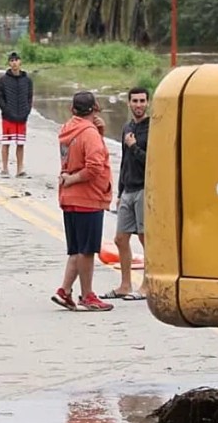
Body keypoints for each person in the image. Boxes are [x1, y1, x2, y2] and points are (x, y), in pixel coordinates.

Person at [52, 91, 115, 312]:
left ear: (72, 109)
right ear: (96, 107)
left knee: (77, 250)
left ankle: (64, 291)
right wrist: (74, 179)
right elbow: (95, 166)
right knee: (87, 251)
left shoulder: (67, 129)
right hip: (87, 198)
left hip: (69, 198)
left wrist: (99, 132)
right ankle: (87, 295)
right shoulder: (89, 134)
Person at [105, 87, 150, 301]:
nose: (139, 105)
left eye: (142, 101)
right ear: (129, 103)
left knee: (145, 239)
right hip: (128, 189)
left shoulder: (153, 129)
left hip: (144, 189)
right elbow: (124, 162)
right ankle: (125, 284)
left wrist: (134, 147)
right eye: (135, 101)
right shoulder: (127, 127)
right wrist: (120, 191)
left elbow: (153, 162)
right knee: (120, 238)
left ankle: (147, 285)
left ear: (148, 103)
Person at [0, 52, 34, 178]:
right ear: (9, 63)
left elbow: (29, 97)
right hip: (8, 116)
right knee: (6, 142)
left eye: (16, 60)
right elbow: (0, 97)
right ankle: (5, 168)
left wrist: (27, 110)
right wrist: (6, 110)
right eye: (11, 60)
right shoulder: (3, 80)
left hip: (22, 116)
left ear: (20, 62)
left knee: (20, 143)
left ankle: (19, 169)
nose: (14, 63)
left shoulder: (27, 80)